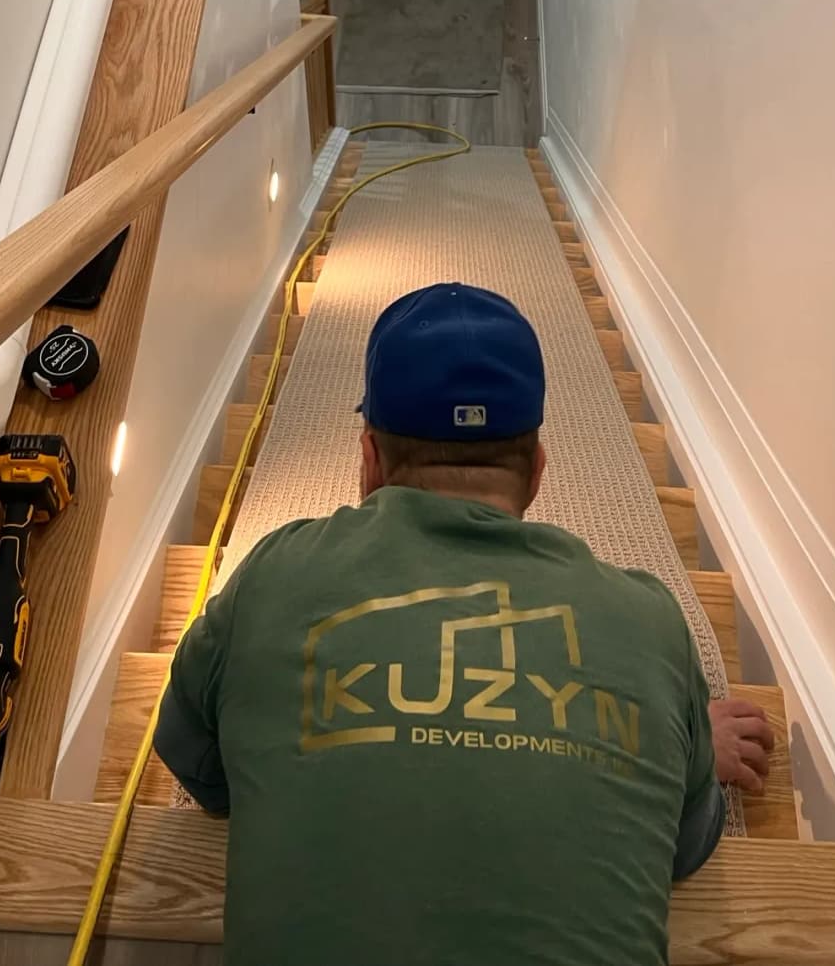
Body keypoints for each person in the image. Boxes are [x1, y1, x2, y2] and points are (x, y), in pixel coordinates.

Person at [154, 282, 772, 966]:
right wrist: (678, 743)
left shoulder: (274, 576)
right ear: (537, 471)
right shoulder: (651, 626)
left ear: (369, 461)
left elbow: (194, 761)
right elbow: (682, 848)